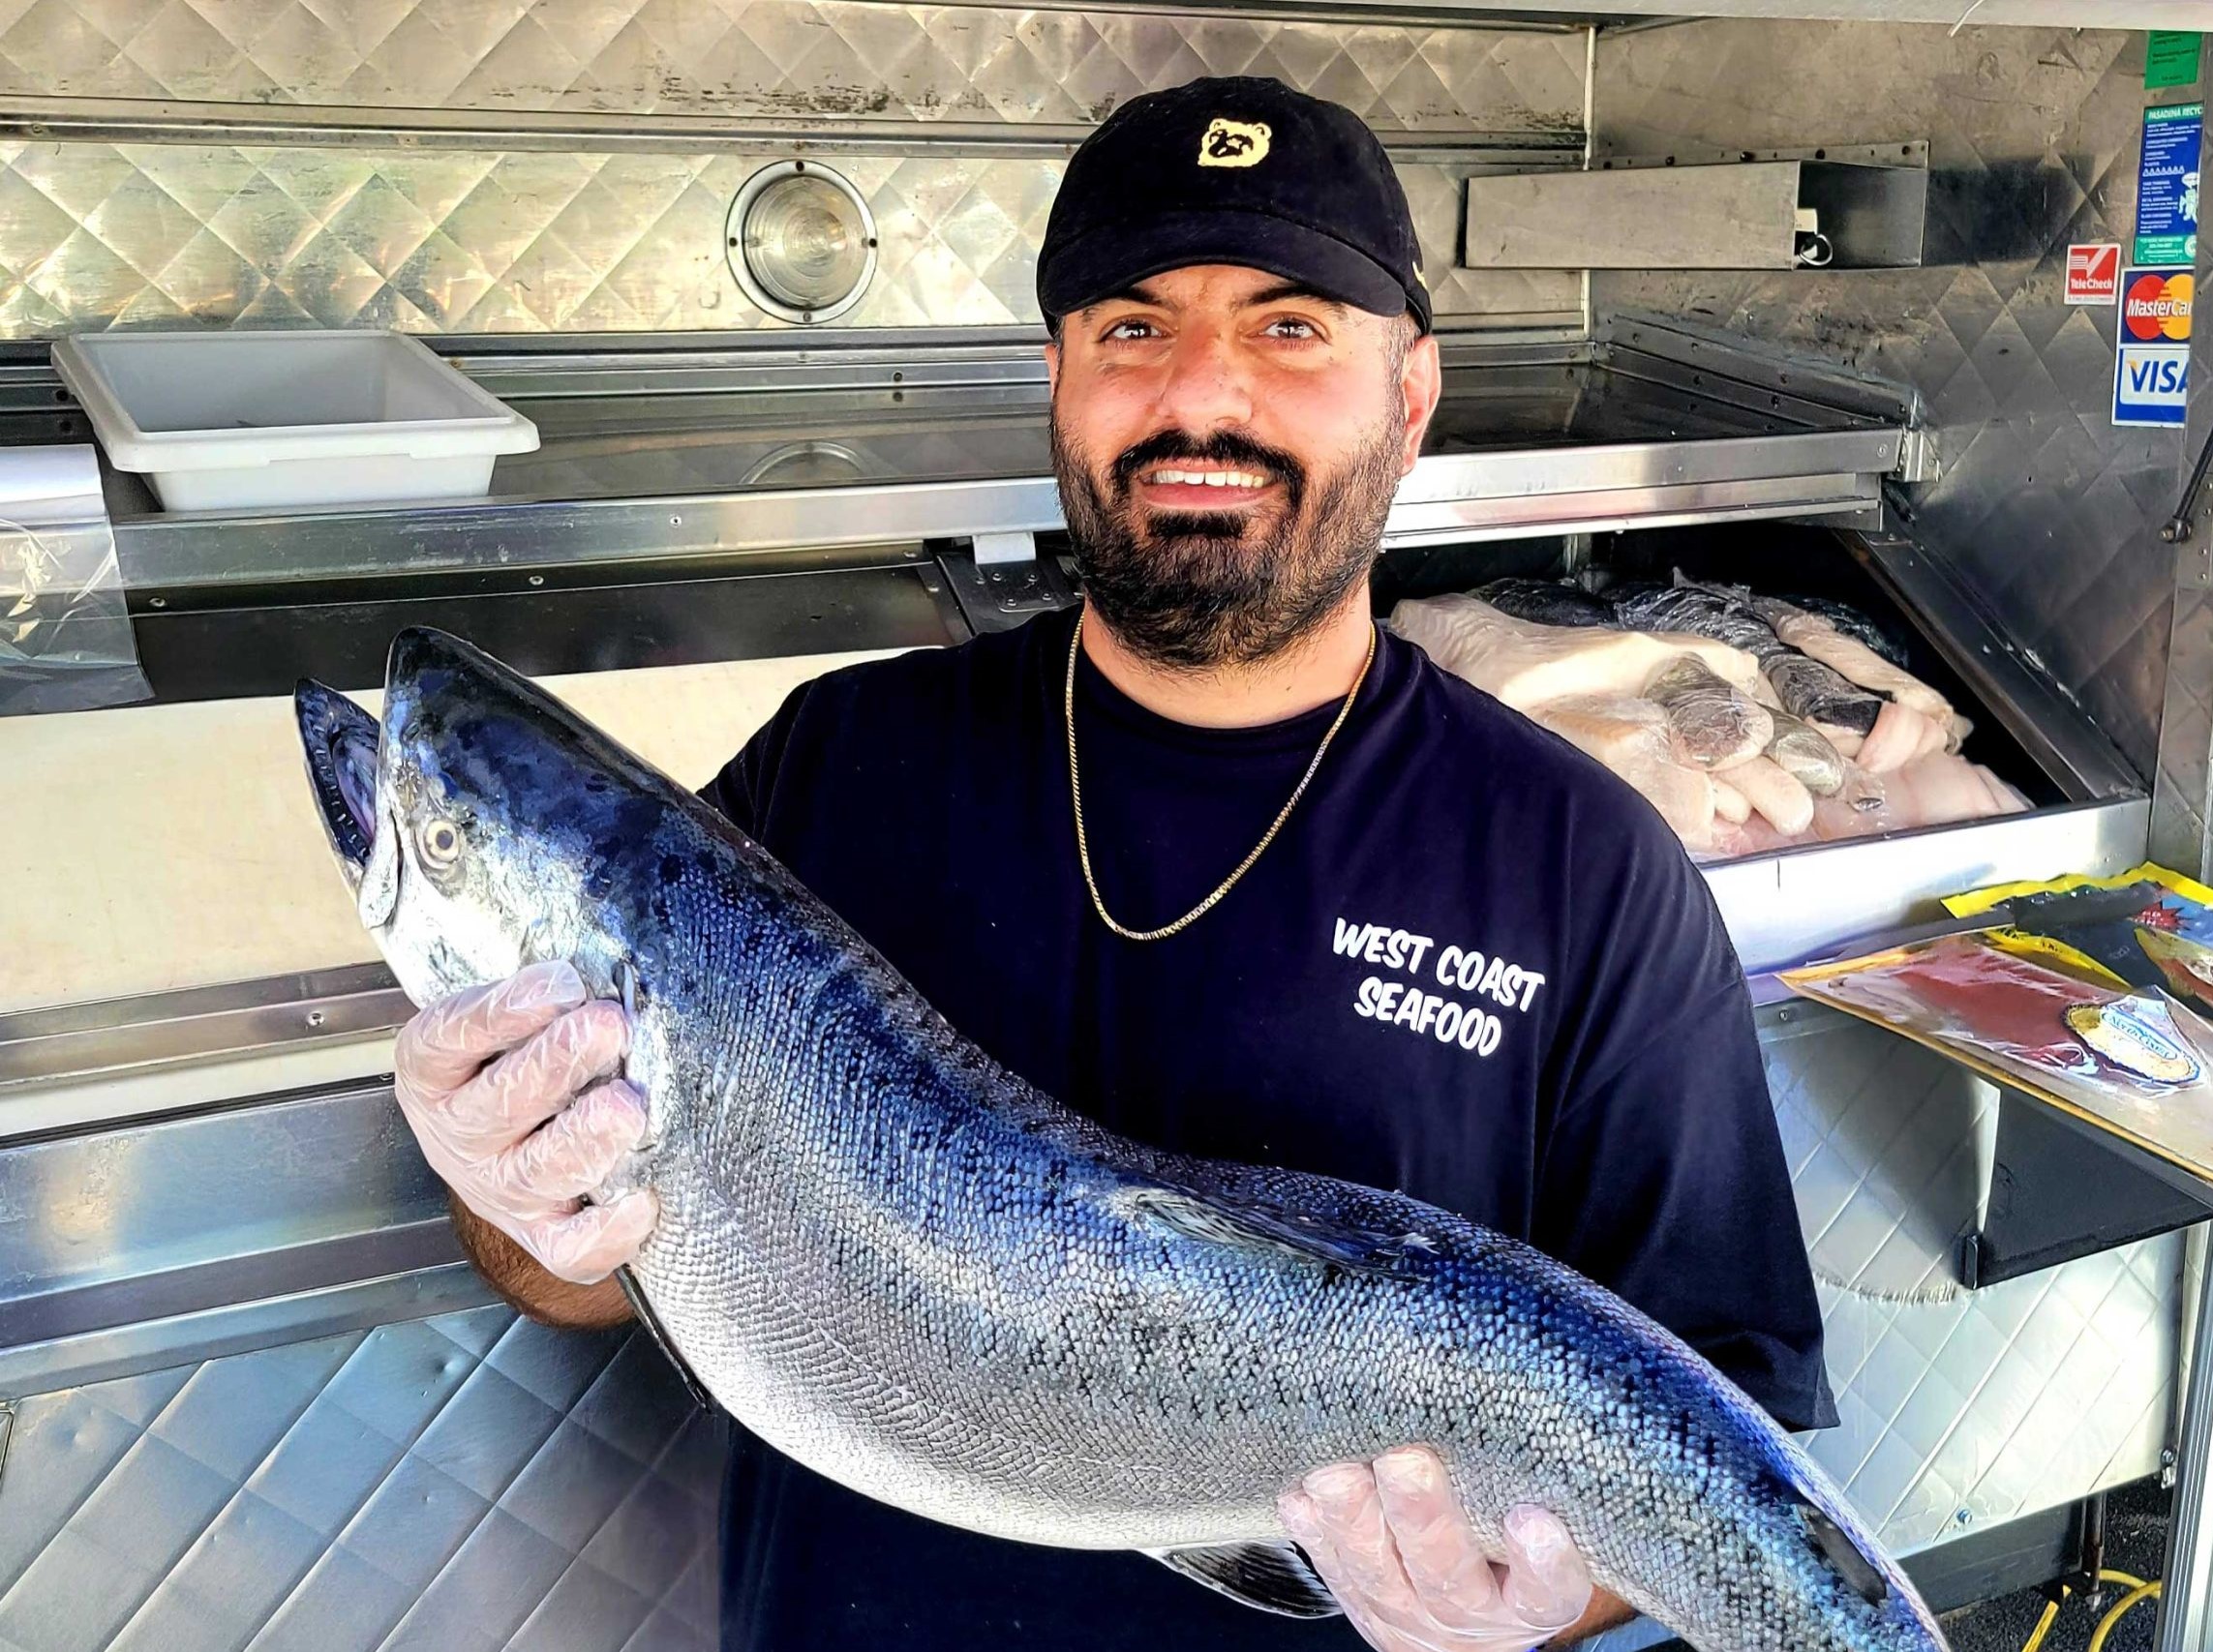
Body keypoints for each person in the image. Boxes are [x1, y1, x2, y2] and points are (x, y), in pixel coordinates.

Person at [385, 75, 1833, 1652]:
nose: (1202, 396)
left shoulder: (1582, 867)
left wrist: (1548, 1605)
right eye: (1132, 329)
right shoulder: (840, 759)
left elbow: (1719, 1435)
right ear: (1059, 383)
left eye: (1292, 328)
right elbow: (599, 1260)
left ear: (1413, 396)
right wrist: (516, 1200)